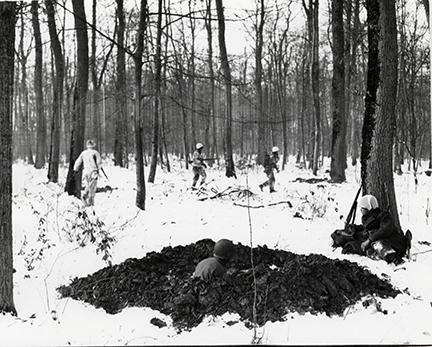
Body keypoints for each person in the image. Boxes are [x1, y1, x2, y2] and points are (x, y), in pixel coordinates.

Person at [346, 195, 407, 265]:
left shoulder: (384, 216)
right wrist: (354, 227)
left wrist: (369, 240)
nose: (361, 210)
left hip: (394, 243)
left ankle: (396, 260)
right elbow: (367, 228)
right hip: (384, 243)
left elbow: (384, 230)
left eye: (362, 208)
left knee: (377, 244)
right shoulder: (368, 218)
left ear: (368, 208)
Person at [73, 139, 102, 207]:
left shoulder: (83, 153)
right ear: (93, 145)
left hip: (86, 172)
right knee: (92, 188)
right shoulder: (95, 153)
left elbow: (78, 162)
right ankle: (88, 201)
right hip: (93, 172)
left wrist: (75, 169)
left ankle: (86, 200)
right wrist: (99, 168)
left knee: (88, 185)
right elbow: (99, 163)